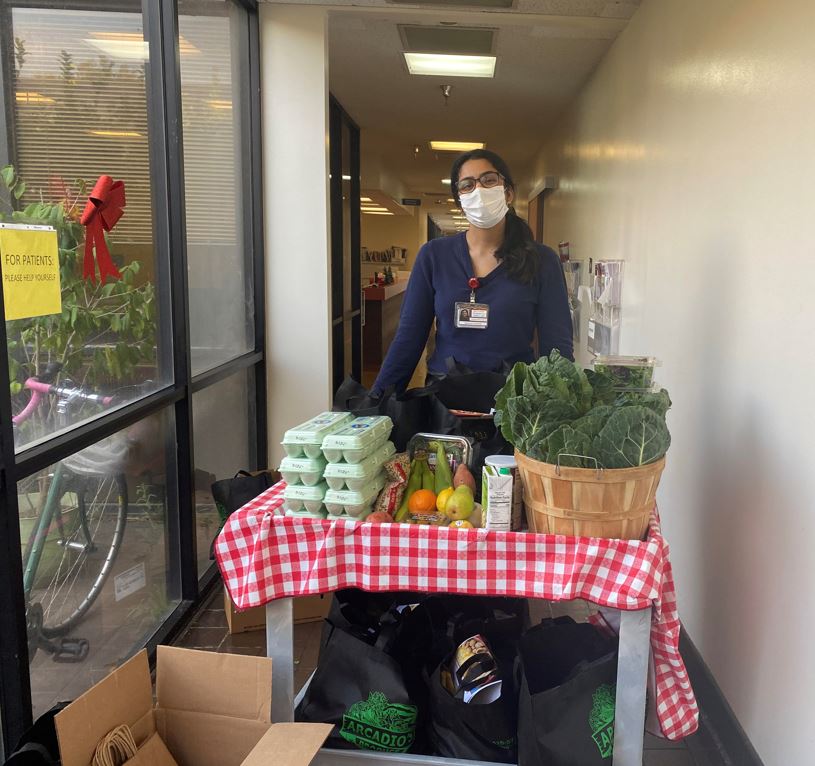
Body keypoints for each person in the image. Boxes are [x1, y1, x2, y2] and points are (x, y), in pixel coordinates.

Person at [371, 149, 573, 395]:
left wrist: (562, 405)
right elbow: (408, 338)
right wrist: (376, 403)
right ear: (459, 201)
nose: (478, 190)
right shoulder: (434, 256)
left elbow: (558, 348)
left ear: (508, 193)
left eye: (488, 180)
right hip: (445, 399)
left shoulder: (542, 260)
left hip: (515, 401)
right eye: (467, 185)